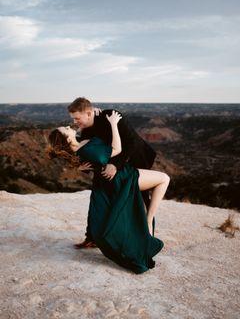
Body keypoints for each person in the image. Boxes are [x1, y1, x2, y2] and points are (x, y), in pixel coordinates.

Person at [48, 111, 170, 274]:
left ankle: (146, 224)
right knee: (164, 179)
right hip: (123, 177)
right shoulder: (86, 149)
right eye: (66, 129)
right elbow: (117, 149)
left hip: (114, 178)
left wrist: (93, 117)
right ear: (68, 139)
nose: (69, 126)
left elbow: (88, 144)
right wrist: (113, 123)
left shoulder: (81, 147)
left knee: (143, 200)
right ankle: (148, 221)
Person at [67, 97, 160, 249]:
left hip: (134, 159)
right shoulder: (85, 131)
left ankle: (146, 237)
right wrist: (82, 167)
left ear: (89, 113)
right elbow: (90, 154)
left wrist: (115, 165)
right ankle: (92, 238)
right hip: (107, 166)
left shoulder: (110, 116)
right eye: (73, 119)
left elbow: (131, 142)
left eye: (77, 118)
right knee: (98, 199)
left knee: (139, 199)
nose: (75, 122)